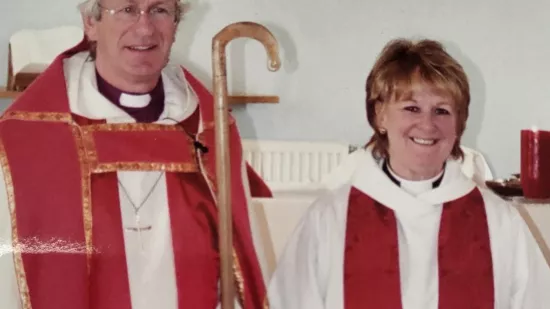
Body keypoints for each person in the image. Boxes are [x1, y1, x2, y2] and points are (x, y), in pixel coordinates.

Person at [0, 0, 273, 308]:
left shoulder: (208, 127)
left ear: (176, 24)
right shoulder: (30, 136)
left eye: (159, 10)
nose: (145, 29)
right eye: (128, 9)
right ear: (91, 22)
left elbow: (241, 263)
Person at [267, 38, 550, 308]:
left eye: (442, 111)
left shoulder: (499, 222)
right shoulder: (330, 218)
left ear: (459, 123)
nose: (427, 125)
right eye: (411, 108)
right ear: (380, 115)